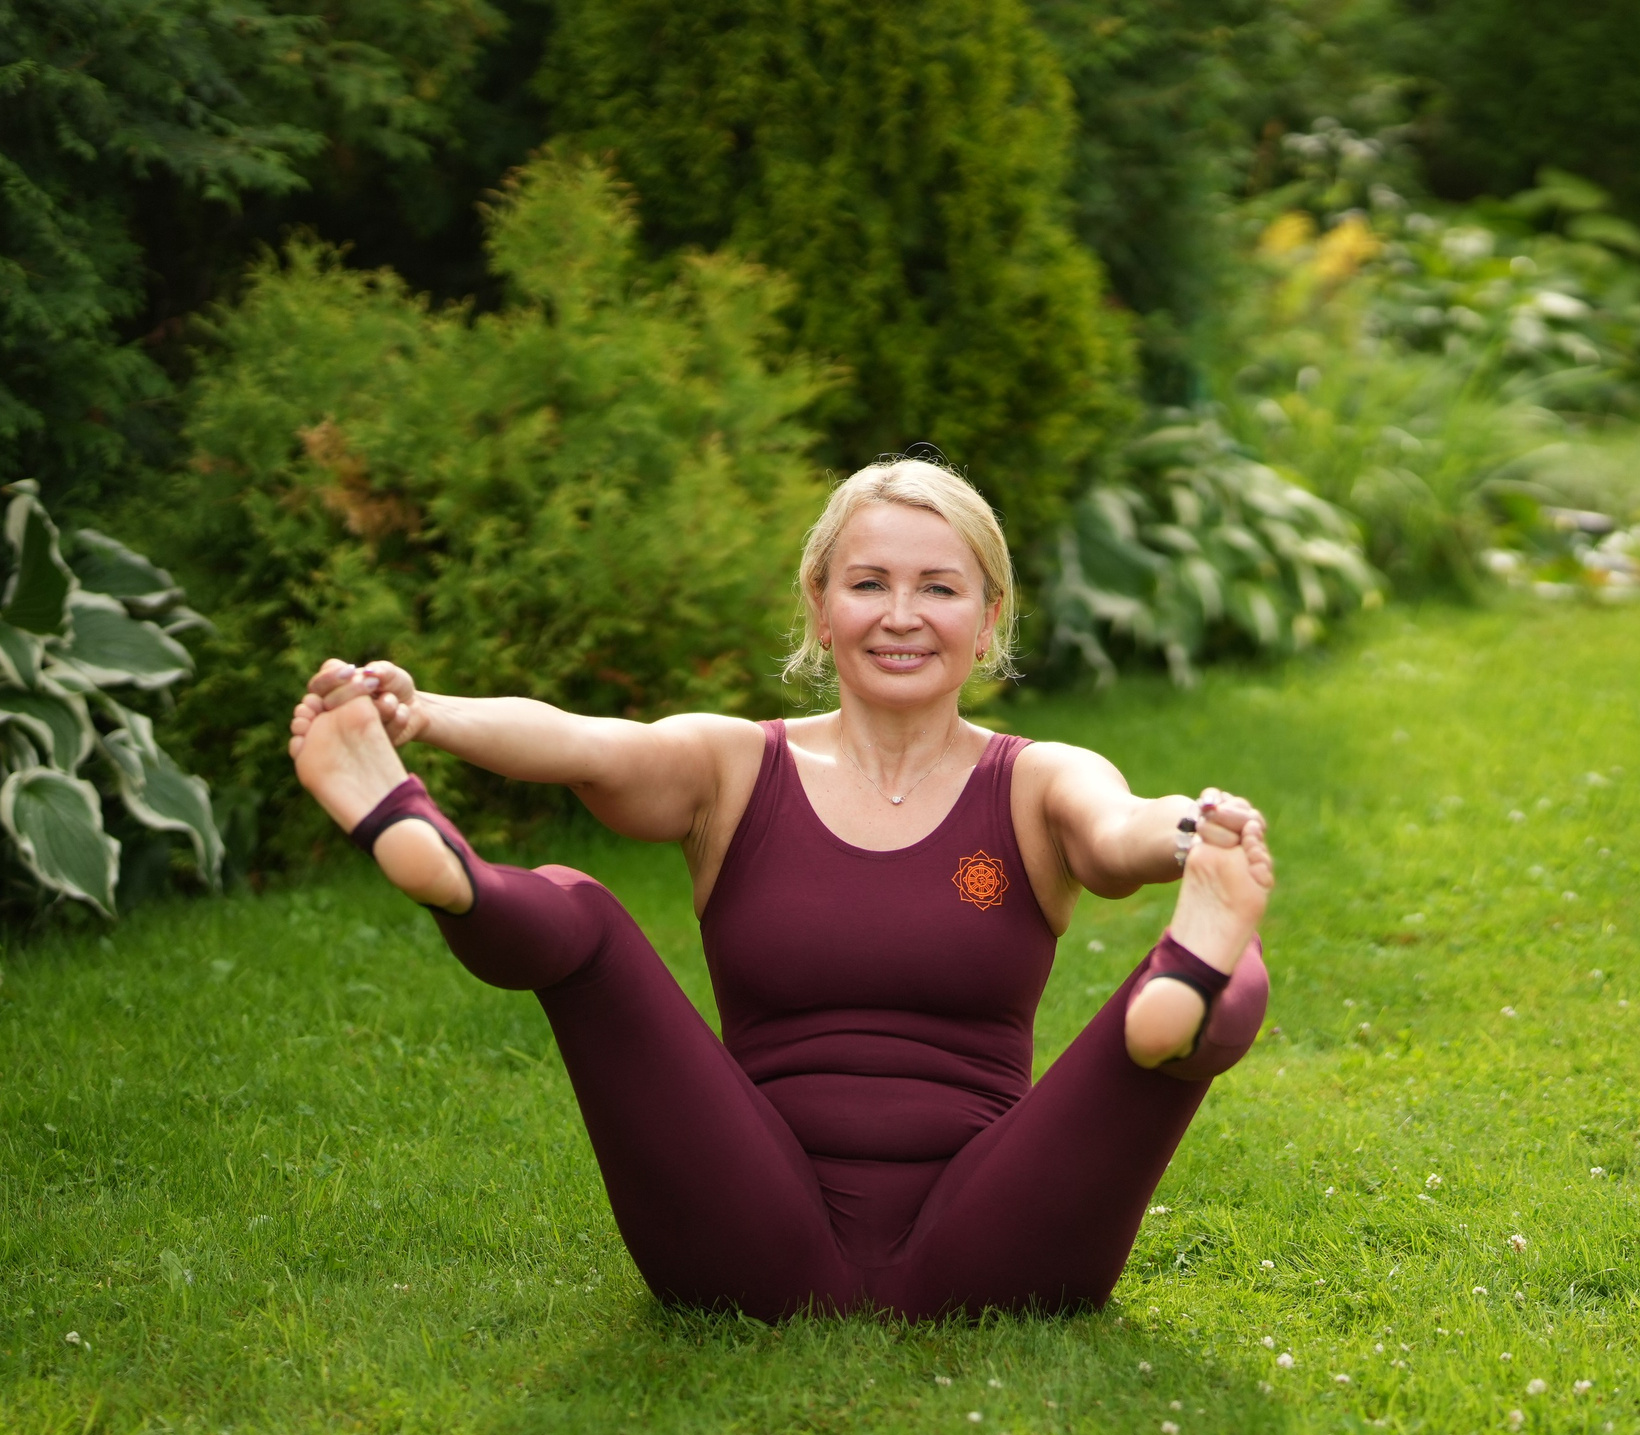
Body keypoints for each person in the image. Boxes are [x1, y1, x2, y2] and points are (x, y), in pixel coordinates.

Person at [287, 457, 1272, 1320]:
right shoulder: (733, 767)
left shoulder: (1037, 780)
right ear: (819, 604)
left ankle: (1197, 980)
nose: (899, 615)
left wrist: (1193, 833)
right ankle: (454, 877)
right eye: (868, 583)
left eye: (937, 587)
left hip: (998, 1231)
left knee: (1214, 969)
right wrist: (420, 710)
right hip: (748, 1221)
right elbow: (586, 741)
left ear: (987, 617)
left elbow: (1116, 829)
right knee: (577, 910)